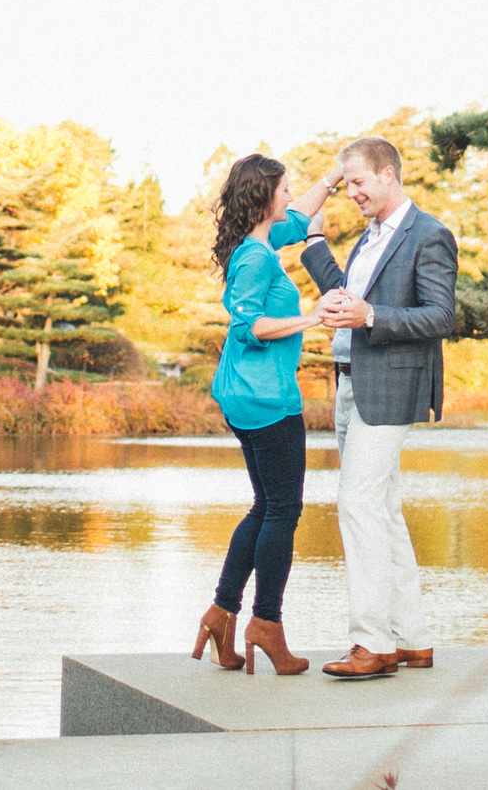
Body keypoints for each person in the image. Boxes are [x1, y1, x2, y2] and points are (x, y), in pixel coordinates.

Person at [299, 135, 457, 679]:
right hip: (349, 383)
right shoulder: (369, 238)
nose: (353, 194)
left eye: (359, 182)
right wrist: (314, 243)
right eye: (347, 185)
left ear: (388, 175)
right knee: (383, 511)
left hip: (391, 388)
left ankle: (373, 644)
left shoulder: (430, 235)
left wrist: (370, 318)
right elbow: (350, 298)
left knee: (358, 504)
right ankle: (413, 639)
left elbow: (440, 317)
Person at [196, 153, 343, 676]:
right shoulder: (256, 259)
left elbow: (301, 218)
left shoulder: (257, 243)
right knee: (283, 510)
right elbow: (249, 327)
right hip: (266, 399)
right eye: (284, 189)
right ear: (264, 198)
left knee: (264, 507)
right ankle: (267, 623)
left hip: (241, 396)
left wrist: (333, 179)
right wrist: (310, 317)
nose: (290, 195)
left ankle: (221, 611)